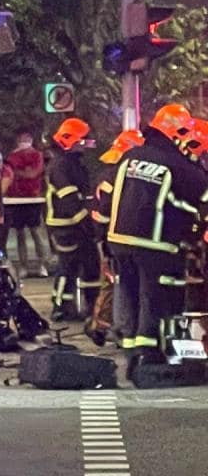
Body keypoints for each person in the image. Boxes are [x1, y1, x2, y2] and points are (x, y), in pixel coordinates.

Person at [108, 105, 208, 383]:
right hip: (155, 244)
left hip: (119, 241)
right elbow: (201, 200)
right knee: (155, 299)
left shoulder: (131, 156)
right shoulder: (179, 166)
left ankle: (129, 356)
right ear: (179, 133)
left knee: (129, 296)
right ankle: (148, 356)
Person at [85, 129, 144, 346]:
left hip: (109, 237)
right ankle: (108, 327)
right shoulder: (116, 176)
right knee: (115, 283)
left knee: (113, 282)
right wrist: (103, 242)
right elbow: (103, 213)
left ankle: (104, 325)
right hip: (113, 238)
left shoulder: (108, 174)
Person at [45, 117, 100, 322]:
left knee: (90, 264)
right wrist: (85, 223)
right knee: (68, 266)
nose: (85, 144)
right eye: (82, 140)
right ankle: (61, 306)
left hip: (78, 223)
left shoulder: (72, 163)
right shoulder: (60, 166)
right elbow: (69, 200)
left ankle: (91, 305)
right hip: (64, 226)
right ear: (70, 140)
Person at [6, 128, 48, 277]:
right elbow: (10, 174)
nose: (24, 142)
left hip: (33, 198)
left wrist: (20, 173)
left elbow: (33, 173)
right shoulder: (12, 157)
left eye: (26, 139)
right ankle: (23, 266)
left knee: (35, 231)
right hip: (16, 199)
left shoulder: (37, 155)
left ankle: (42, 264)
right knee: (19, 234)